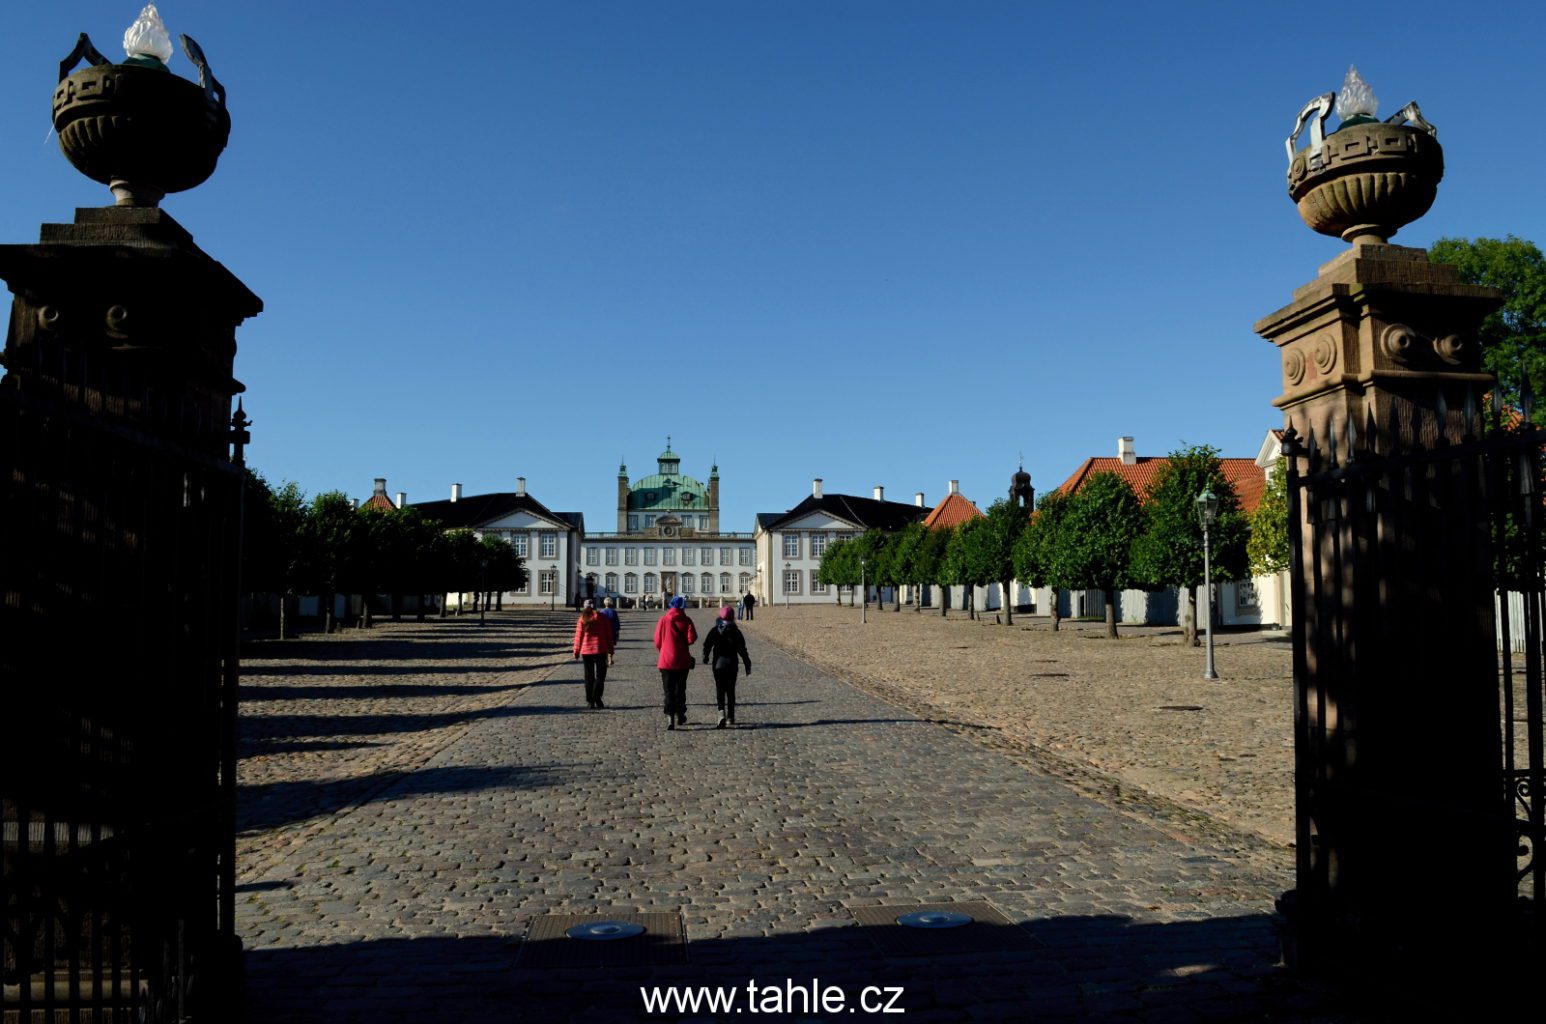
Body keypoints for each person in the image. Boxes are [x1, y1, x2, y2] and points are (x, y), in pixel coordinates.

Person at [702, 605, 751, 728]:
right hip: (732, 665)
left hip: (718, 665)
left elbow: (707, 644)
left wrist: (706, 656)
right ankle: (731, 716)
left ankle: (721, 714)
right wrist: (747, 663)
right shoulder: (736, 632)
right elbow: (742, 650)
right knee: (730, 691)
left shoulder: (715, 630)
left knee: (720, 689)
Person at [653, 595, 697, 729]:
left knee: (668, 690)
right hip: (682, 660)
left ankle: (670, 716)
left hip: (666, 660)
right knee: (681, 689)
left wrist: (664, 649)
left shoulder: (663, 620)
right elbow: (692, 638)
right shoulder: (687, 620)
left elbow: (657, 640)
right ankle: (680, 714)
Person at [572, 599, 615, 709]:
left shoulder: (582, 619)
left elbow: (578, 637)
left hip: (586, 651)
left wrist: (576, 651)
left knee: (588, 676)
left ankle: (590, 700)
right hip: (600, 650)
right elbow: (608, 635)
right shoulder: (603, 618)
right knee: (601, 676)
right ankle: (596, 696)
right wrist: (611, 649)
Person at [600, 596, 621, 667]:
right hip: (612, 631)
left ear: (605, 604)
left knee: (605, 646)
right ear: (611, 603)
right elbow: (617, 622)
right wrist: (617, 631)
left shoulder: (601, 611)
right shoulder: (614, 612)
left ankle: (605, 659)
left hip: (603, 631)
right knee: (611, 646)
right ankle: (610, 660)